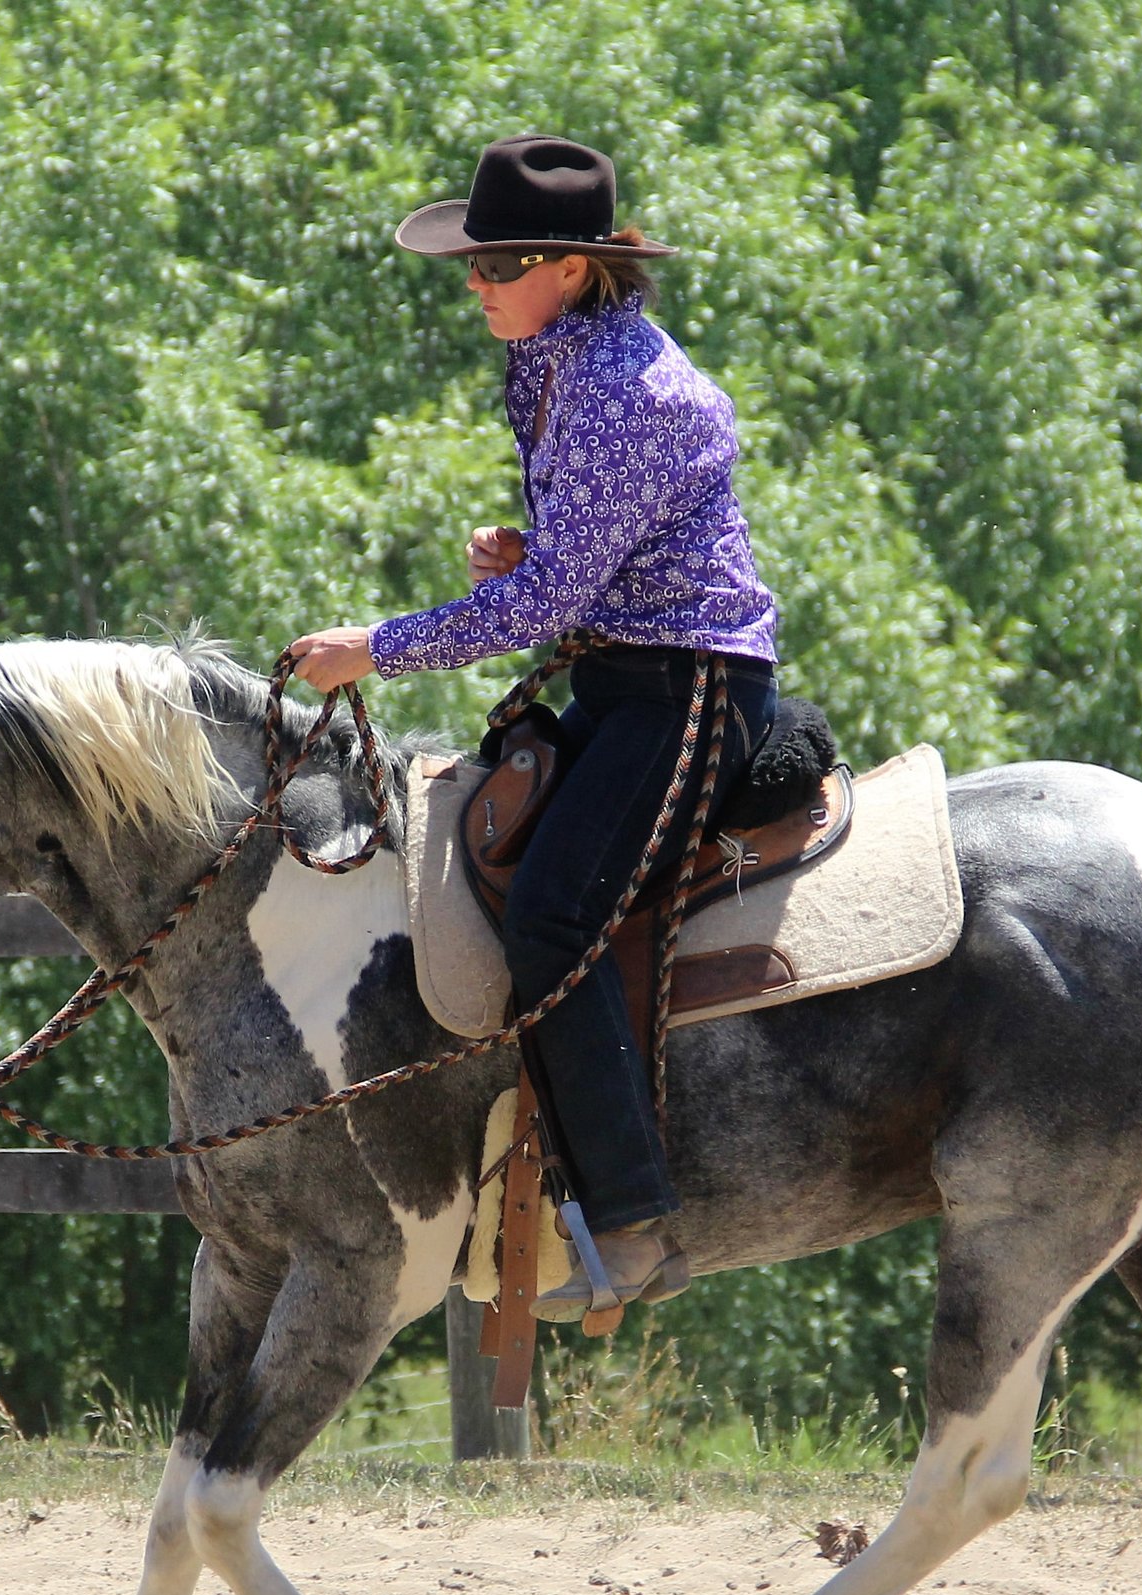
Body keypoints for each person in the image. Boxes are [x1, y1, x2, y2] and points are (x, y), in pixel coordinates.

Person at [289, 135, 780, 1318]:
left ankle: (631, 1218)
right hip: (629, 674)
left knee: (556, 909)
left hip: (689, 689)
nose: (474, 283)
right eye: (471, 262)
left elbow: (551, 606)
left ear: (568, 265)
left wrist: (378, 646)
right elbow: (570, 568)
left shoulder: (620, 388)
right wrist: (524, 552)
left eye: (494, 263)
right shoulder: (551, 356)